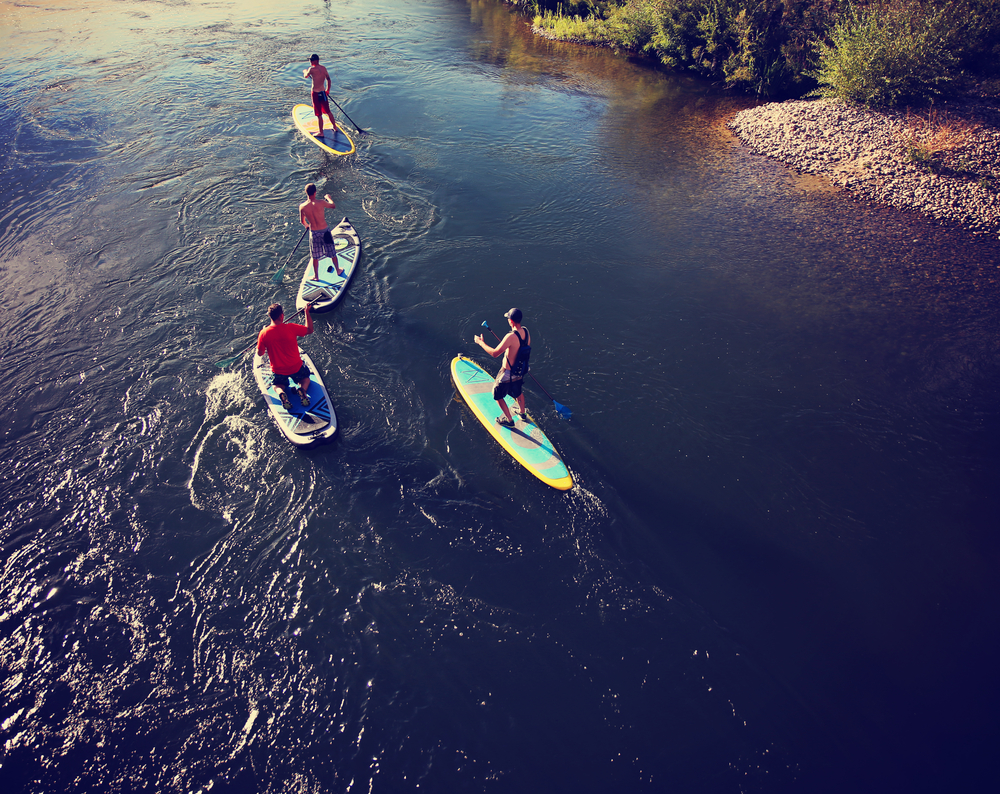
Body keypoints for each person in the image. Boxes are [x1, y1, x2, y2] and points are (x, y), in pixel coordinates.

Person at [474, 307, 531, 427]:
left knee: (497, 394)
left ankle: (509, 421)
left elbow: (494, 353)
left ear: (511, 321)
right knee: (518, 392)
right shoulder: (526, 331)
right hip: (520, 371)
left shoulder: (510, 336)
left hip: (507, 373)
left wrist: (480, 342)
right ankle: (522, 413)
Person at [257, 302, 314, 411]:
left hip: (279, 371)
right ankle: (302, 390)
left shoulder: (263, 333)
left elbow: (260, 353)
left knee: (276, 385)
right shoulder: (291, 327)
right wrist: (306, 312)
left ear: (270, 316)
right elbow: (310, 330)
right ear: (281, 316)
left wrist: (261, 340)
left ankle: (281, 393)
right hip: (296, 367)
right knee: (305, 379)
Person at [299, 182, 344, 280]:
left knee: (315, 256)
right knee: (332, 252)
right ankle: (338, 270)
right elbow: (333, 206)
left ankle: (316, 276)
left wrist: (307, 226)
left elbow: (302, 221)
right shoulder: (321, 202)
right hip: (324, 232)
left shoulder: (302, 206)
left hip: (313, 233)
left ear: (306, 193)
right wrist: (328, 198)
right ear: (315, 192)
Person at [303, 54, 334, 137]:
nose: (310, 61)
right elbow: (329, 80)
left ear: (315, 61)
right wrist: (328, 90)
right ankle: (334, 127)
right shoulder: (324, 68)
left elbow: (306, 76)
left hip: (316, 93)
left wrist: (305, 71)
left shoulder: (311, 69)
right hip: (323, 92)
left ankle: (321, 132)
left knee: (319, 114)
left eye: (311, 60)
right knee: (328, 111)